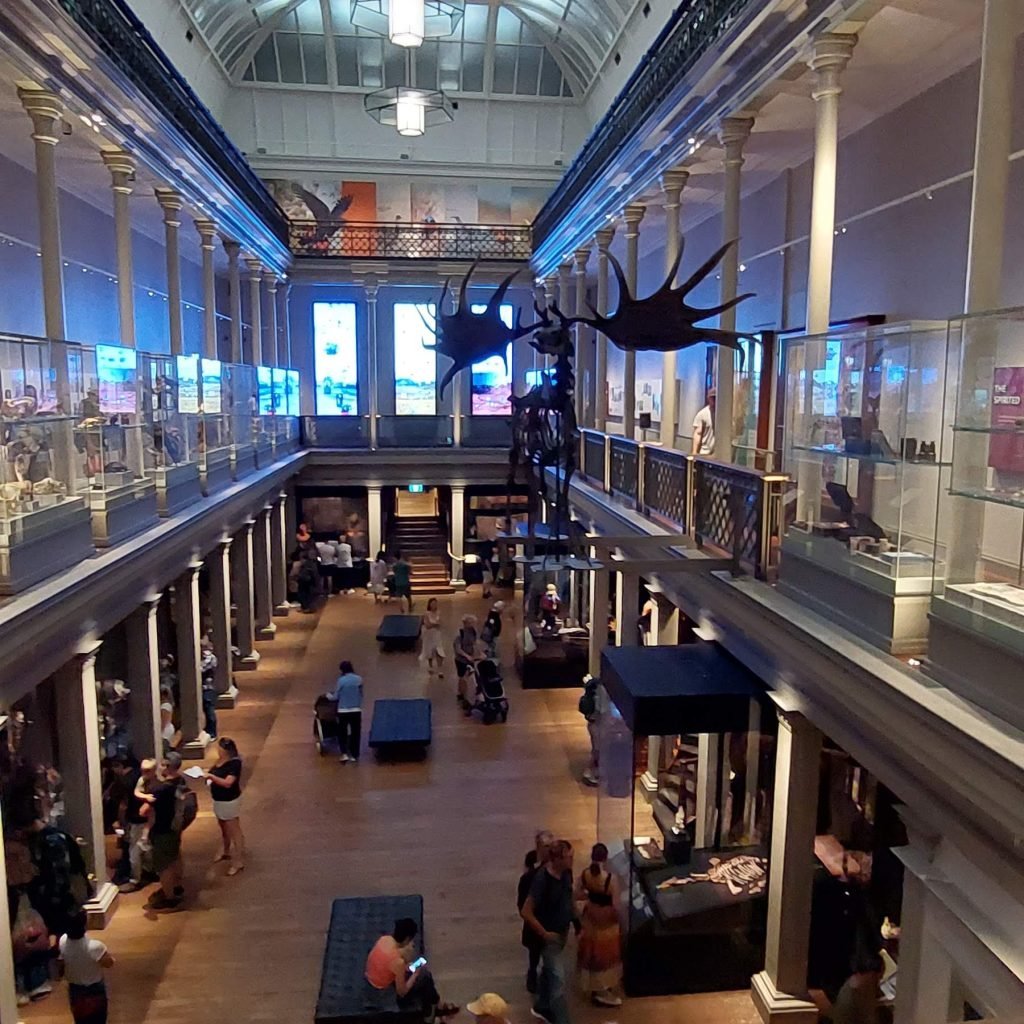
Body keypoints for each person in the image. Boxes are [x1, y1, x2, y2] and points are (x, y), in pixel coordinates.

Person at [521, 839, 578, 1024]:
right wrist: (544, 933)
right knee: (558, 982)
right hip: (549, 939)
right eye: (569, 857)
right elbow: (526, 911)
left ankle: (542, 1006)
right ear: (557, 859)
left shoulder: (567, 873)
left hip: (562, 932)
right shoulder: (542, 879)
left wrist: (578, 925)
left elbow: (569, 899)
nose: (572, 860)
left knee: (549, 972)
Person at [365, 917, 459, 1019]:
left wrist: (406, 967)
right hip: (383, 990)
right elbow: (402, 992)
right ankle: (432, 1009)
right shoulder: (397, 962)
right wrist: (415, 974)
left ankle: (435, 1004)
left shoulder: (384, 939)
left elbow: (388, 964)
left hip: (372, 977)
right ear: (407, 939)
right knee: (425, 977)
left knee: (417, 974)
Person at [574, 843, 622, 1007]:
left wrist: (588, 897)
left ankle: (593, 986)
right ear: (606, 857)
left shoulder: (586, 874)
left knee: (591, 952)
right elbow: (616, 905)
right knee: (605, 955)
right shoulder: (611, 879)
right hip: (606, 920)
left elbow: (577, 893)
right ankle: (603, 989)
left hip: (590, 916)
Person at [146, 753, 187, 911]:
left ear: (168, 767)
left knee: (164, 865)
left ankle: (169, 897)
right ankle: (177, 886)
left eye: (162, 764)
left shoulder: (160, 789)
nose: (159, 767)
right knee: (175, 855)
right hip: (175, 826)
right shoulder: (181, 781)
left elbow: (145, 810)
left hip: (162, 829)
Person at [59, 911, 114, 1024]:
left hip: (75, 990)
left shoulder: (63, 941)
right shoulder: (95, 947)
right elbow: (109, 963)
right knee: (99, 1020)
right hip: (94, 990)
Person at [518, 830, 553, 993]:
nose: (550, 849)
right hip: (535, 919)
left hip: (550, 919)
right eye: (546, 846)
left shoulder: (557, 869)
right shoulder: (531, 872)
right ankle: (532, 973)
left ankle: (545, 975)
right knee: (535, 950)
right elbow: (522, 901)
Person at [205, 737, 245, 876]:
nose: (217, 750)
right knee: (223, 826)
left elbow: (228, 783)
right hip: (218, 799)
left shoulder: (234, 764)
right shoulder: (220, 761)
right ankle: (226, 850)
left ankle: (238, 861)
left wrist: (211, 778)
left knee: (234, 830)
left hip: (229, 800)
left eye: (219, 748)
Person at [118, 758, 155, 893]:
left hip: (140, 821)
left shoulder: (132, 781)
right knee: (145, 848)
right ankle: (149, 872)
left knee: (135, 851)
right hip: (144, 820)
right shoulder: (144, 781)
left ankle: (135, 879)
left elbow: (125, 805)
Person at [325, 660, 363, 763]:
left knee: (342, 732)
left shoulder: (341, 680)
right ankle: (354, 754)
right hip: (356, 709)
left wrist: (328, 695)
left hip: (343, 710)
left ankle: (344, 753)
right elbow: (361, 694)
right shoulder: (359, 679)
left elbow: (336, 697)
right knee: (356, 732)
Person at [453, 614, 482, 711]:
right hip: (461, 660)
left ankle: (464, 694)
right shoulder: (460, 634)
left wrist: (479, 653)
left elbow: (475, 644)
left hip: (470, 659)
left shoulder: (473, 632)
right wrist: (467, 656)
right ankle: (462, 695)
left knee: (469, 677)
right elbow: (458, 649)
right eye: (472, 623)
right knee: (463, 677)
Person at [420, 598, 445, 677]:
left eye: (435, 603)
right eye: (432, 603)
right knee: (429, 651)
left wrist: (435, 625)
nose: (434, 605)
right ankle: (430, 666)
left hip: (437, 635)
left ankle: (440, 669)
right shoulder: (426, 614)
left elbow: (441, 623)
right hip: (428, 635)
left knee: (439, 651)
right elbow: (427, 625)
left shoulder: (439, 613)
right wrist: (435, 624)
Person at [199, 636, 218, 739]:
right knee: (205, 710)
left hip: (208, 688)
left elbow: (201, 670)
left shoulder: (210, 658)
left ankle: (212, 732)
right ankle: (207, 728)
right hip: (201, 688)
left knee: (210, 710)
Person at [692, 387, 716, 457]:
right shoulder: (702, 414)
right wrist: (694, 452)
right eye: (712, 398)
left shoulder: (723, 415)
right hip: (705, 453)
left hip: (718, 454)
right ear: (708, 398)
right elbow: (698, 433)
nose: (714, 400)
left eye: (716, 398)